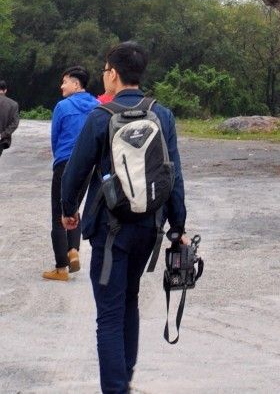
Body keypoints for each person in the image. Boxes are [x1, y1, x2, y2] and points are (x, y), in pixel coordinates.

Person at [60, 42, 188, 394]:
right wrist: (178, 227)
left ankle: (116, 389)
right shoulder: (162, 115)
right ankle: (124, 382)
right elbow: (173, 174)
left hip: (110, 230)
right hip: (148, 228)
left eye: (105, 70)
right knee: (128, 301)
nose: (104, 75)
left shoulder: (101, 117)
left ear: (113, 74)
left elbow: (76, 172)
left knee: (109, 316)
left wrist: (68, 211)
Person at [44, 65, 98, 280]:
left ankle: (61, 268)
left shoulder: (63, 106)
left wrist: (60, 160)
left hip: (65, 162)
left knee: (58, 212)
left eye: (64, 81)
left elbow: (55, 138)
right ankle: (73, 250)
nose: (61, 86)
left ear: (76, 84)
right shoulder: (97, 106)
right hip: (87, 164)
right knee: (73, 206)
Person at [0, 79, 19, 158]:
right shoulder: (13, 104)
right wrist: (2, 135)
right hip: (1, 141)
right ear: (5, 90)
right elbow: (15, 123)